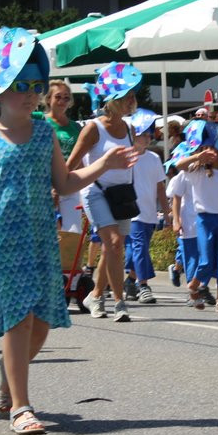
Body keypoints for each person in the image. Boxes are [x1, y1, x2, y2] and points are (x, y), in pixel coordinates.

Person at [0, 27, 136, 434]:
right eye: (20, 85)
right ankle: (21, 407)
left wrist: (104, 165)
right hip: (1, 244)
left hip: (40, 241)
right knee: (19, 321)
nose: (30, 93)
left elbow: (65, 183)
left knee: (43, 322)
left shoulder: (46, 133)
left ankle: (7, 382)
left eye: (35, 85)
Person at [67, 62, 144, 322]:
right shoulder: (93, 128)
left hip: (121, 194)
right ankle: (120, 303)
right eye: (127, 95)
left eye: (133, 95)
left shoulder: (130, 129)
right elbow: (72, 164)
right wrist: (60, 190)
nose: (132, 100)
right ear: (112, 99)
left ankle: (96, 295)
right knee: (113, 242)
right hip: (95, 191)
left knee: (113, 248)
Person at [170, 121, 218, 314]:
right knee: (206, 261)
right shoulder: (198, 170)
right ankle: (193, 285)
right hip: (203, 220)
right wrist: (197, 156)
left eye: (211, 148)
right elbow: (178, 165)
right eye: (205, 149)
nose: (208, 152)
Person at [122, 109, 167, 305]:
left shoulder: (154, 158)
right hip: (131, 213)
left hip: (149, 213)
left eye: (151, 134)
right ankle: (144, 286)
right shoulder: (124, 156)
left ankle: (130, 281)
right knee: (139, 248)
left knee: (136, 250)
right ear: (134, 134)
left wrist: (166, 212)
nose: (149, 137)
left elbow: (160, 187)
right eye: (145, 134)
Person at [44, 81, 83, 233]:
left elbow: (80, 158)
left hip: (70, 183)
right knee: (49, 233)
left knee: (73, 233)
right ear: (48, 99)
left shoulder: (76, 127)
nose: (62, 101)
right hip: (46, 183)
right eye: (58, 97)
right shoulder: (40, 121)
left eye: (66, 98)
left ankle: (69, 258)